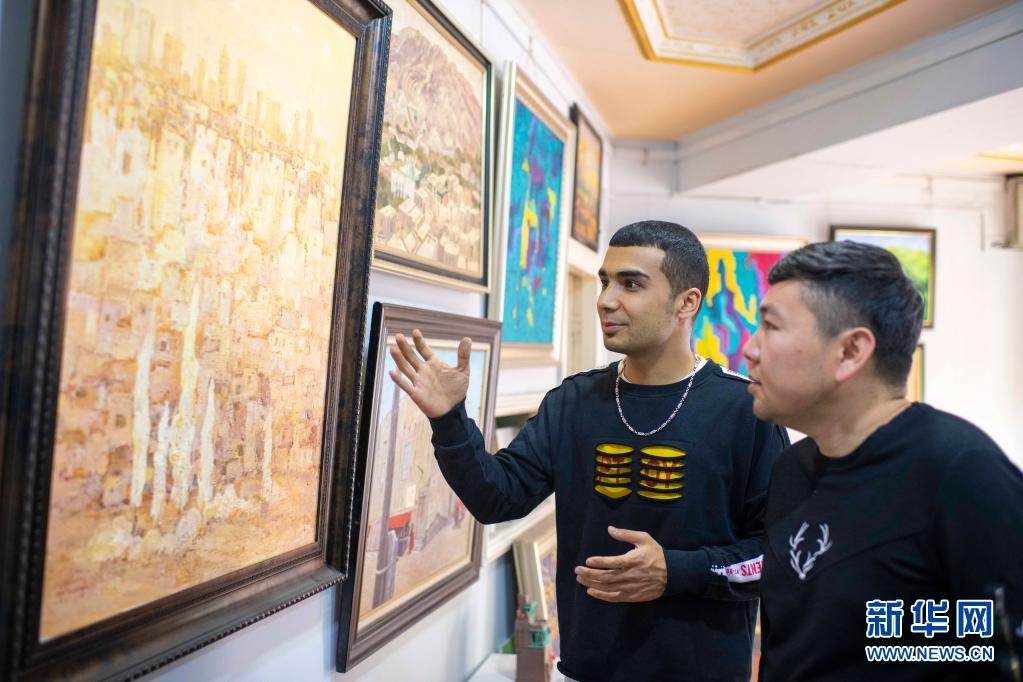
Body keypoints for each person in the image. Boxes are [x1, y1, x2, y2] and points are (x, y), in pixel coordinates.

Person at [388, 221, 789, 681]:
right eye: (604, 281)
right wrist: (449, 418)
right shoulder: (573, 402)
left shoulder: (746, 411)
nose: (606, 300)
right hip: (586, 670)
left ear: (687, 303)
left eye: (631, 284)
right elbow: (496, 498)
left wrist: (678, 570)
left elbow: (776, 559)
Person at [742, 240, 1023, 681]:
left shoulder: (962, 472)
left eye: (771, 327)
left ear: (851, 351)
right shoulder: (791, 468)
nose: (750, 349)